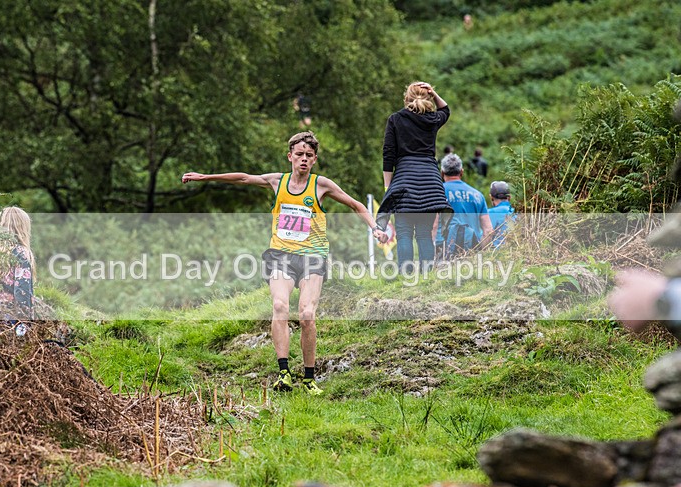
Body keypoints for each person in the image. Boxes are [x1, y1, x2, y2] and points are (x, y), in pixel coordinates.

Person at [182, 131, 387, 396]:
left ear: (314, 160)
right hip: (280, 254)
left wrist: (375, 228)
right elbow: (243, 178)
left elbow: (355, 204)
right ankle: (283, 373)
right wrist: (205, 177)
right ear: (290, 156)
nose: (303, 159)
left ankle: (309, 377)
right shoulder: (277, 181)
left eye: (309, 156)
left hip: (313, 255)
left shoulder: (321, 184)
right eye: (299, 154)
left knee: (306, 315)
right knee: (279, 306)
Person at [377, 81, 453, 274]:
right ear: (428, 98)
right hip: (430, 181)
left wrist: (388, 187)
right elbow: (446, 109)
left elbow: (388, 154)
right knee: (424, 234)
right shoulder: (433, 119)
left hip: (404, 180)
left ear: (406, 98)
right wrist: (433, 92)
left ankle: (406, 277)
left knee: (403, 234)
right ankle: (427, 276)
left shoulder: (395, 119)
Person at [435, 153, 493, 258]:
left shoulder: (436, 192)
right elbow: (488, 230)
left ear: (442, 172)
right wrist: (480, 252)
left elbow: (433, 225)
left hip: (443, 249)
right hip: (471, 248)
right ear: (461, 172)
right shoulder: (477, 195)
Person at [0, 207, 35, 322]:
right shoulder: (20, 252)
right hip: (13, 316)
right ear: (22, 228)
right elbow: (22, 290)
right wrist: (27, 320)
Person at [487, 180, 515, 248]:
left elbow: (485, 236)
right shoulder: (517, 212)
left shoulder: (488, 213)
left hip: (495, 255)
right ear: (509, 197)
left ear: (491, 197)